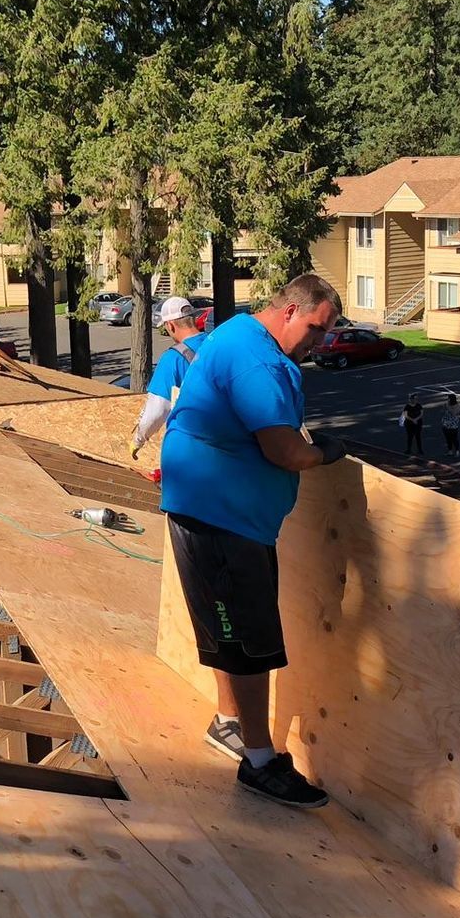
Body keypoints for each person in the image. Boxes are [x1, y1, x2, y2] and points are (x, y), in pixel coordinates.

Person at [159, 273, 348, 810]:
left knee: (230, 629)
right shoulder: (258, 361)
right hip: (222, 517)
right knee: (250, 639)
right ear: (290, 310)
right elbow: (285, 452)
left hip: (214, 508)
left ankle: (227, 723)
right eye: (315, 329)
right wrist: (324, 453)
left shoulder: (240, 331)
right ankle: (260, 761)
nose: (319, 343)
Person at [130, 296, 207, 458]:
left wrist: (138, 440)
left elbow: (156, 411)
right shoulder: (214, 344)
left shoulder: (173, 358)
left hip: (193, 449)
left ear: (171, 325)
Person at [400, 390, 425, 457]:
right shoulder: (407, 406)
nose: (415, 400)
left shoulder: (418, 405)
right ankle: (408, 449)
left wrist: (416, 419)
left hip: (418, 423)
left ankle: (420, 450)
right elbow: (406, 415)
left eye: (416, 399)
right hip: (409, 424)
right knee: (410, 437)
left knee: (418, 437)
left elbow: (421, 413)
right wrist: (413, 420)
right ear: (411, 399)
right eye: (414, 399)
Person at [438, 391, 460, 458]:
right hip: (446, 423)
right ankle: (450, 450)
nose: (447, 400)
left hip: (453, 424)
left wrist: (448, 407)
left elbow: (454, 413)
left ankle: (457, 451)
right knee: (448, 438)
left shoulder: (457, 406)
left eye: (448, 398)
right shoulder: (447, 404)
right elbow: (442, 411)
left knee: (454, 438)